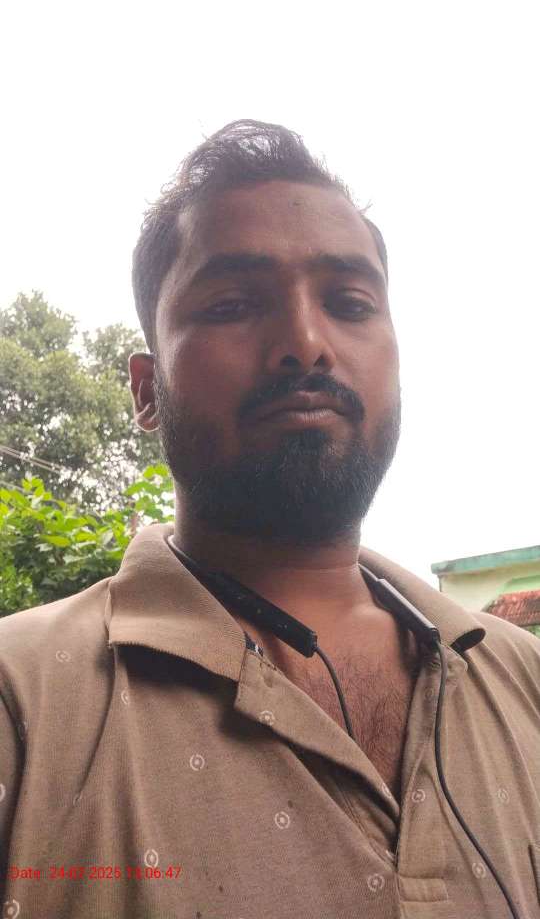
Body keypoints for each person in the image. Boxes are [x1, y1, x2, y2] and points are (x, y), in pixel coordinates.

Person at [0, 120, 538, 919]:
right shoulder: (19, 703)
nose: (306, 343)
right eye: (234, 304)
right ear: (146, 391)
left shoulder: (523, 679)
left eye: (350, 303)